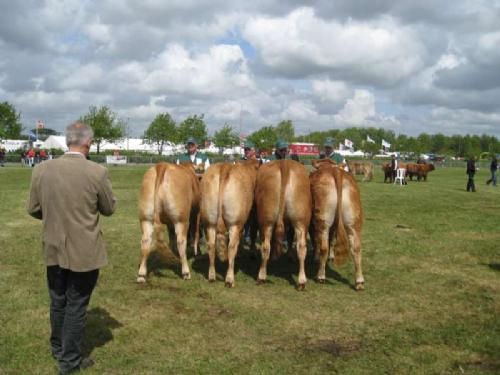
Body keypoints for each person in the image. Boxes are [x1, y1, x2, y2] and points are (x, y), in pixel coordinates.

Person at [27, 122, 116, 374]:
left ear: (68, 141)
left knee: (58, 301)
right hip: (84, 251)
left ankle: (58, 349)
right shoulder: (96, 172)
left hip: (53, 245)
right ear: (87, 142)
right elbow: (109, 208)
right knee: (76, 306)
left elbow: (33, 209)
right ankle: (69, 362)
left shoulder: (42, 169)